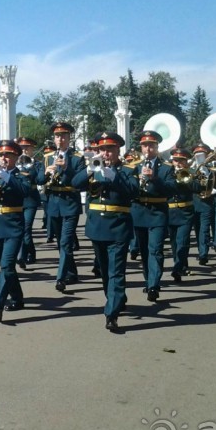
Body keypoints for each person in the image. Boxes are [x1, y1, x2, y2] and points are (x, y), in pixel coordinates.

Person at [72, 132, 138, 332]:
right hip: (97, 227)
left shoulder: (128, 169)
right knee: (104, 272)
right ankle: (115, 298)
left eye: (110, 149)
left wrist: (115, 178)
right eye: (102, 149)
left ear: (118, 150)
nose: (106, 153)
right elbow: (75, 184)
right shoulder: (94, 168)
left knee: (116, 271)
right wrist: (89, 169)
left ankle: (112, 314)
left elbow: (134, 191)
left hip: (118, 227)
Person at [0, 140, 30, 322]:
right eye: (1, 155)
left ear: (16, 157)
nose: (3, 158)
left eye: (8, 155)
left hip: (13, 224)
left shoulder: (21, 174)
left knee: (7, 265)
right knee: (7, 267)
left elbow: (25, 191)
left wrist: (7, 177)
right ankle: (17, 297)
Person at [128, 130, 177, 302]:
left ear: (157, 147)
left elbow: (171, 189)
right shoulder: (134, 166)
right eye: (144, 145)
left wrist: (155, 179)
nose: (147, 149)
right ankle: (148, 280)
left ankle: (154, 285)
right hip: (139, 212)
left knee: (155, 249)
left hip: (157, 212)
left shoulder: (166, 168)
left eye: (151, 145)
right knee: (144, 251)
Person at [43, 122, 85, 290]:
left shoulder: (77, 158)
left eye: (63, 136)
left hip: (70, 204)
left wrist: (66, 168)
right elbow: (39, 180)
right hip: (53, 204)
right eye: (57, 136)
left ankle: (60, 278)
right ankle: (72, 272)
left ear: (69, 138)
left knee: (66, 242)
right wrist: (46, 173)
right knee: (61, 243)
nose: (60, 139)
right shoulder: (48, 157)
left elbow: (79, 182)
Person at [167, 148, 197, 282]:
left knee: (183, 241)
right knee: (174, 243)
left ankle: (178, 267)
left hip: (185, 212)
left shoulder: (191, 173)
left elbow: (198, 188)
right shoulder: (167, 173)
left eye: (181, 161)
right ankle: (180, 265)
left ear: (186, 162)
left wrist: (188, 179)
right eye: (175, 160)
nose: (177, 163)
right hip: (170, 212)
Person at [16, 137, 46, 270]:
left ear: (32, 149)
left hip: (31, 200)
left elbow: (40, 180)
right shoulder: (14, 163)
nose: (24, 150)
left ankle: (21, 257)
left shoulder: (38, 164)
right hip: (17, 199)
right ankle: (31, 253)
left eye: (27, 148)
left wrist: (30, 172)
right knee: (21, 228)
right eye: (22, 148)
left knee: (26, 228)